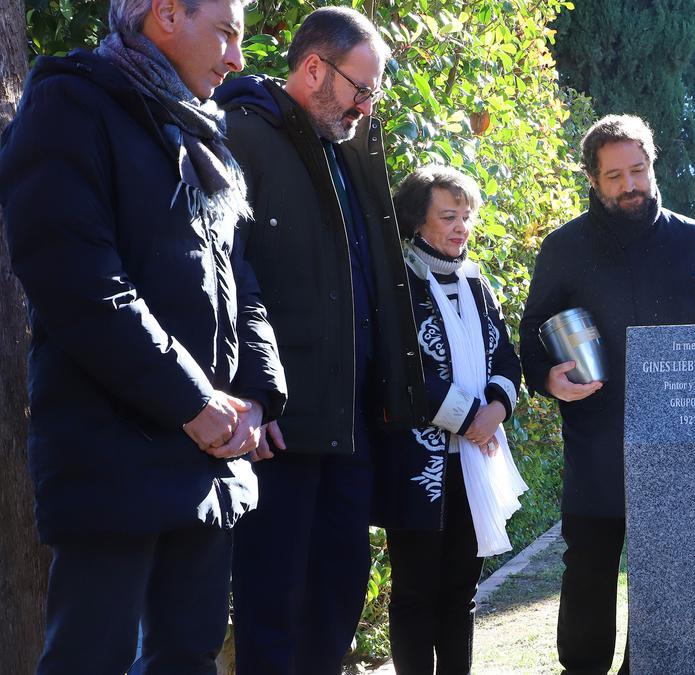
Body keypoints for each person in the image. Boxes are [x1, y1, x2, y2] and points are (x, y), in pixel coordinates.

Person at [0, 0, 287, 673]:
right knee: (91, 659)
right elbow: (81, 284)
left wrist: (256, 395)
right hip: (111, 462)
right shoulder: (68, 108)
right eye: (226, 34)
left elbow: (239, 278)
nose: (238, 59)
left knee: (189, 656)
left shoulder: (201, 132)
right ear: (165, 14)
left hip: (207, 463)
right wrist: (196, 402)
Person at [212, 7, 428, 673]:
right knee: (272, 615)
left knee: (336, 604)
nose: (369, 103)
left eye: (374, 91)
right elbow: (221, 272)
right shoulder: (241, 135)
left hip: (351, 430)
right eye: (362, 87)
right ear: (313, 69)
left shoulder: (349, 154)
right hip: (280, 431)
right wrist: (252, 389)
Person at [518, 114, 695, 674]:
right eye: (614, 176)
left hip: (675, 438)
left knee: (669, 568)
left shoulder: (689, 236)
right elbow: (534, 332)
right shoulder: (564, 246)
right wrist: (547, 377)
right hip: (597, 437)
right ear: (593, 179)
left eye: (638, 170)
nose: (629, 185)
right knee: (589, 565)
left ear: (652, 165)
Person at [373, 165, 525, 674]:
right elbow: (399, 373)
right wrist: (470, 420)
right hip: (418, 464)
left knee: (462, 593)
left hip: (475, 463)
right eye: (449, 216)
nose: (462, 227)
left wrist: (497, 410)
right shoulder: (397, 285)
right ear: (418, 221)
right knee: (416, 593)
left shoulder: (478, 284)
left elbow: (507, 359)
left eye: (467, 216)